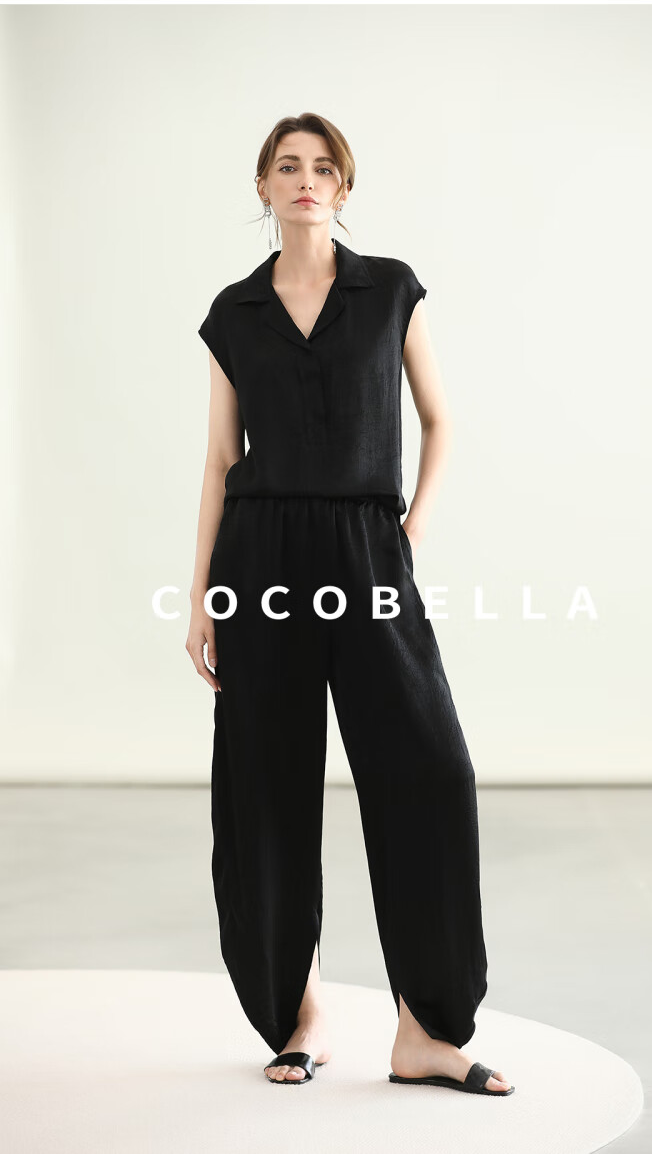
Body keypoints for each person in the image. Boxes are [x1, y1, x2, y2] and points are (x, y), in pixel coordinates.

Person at [186, 113, 514, 1098]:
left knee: (429, 768)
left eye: (323, 166)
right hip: (259, 558)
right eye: (288, 166)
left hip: (369, 549)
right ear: (263, 185)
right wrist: (200, 594)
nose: (306, 179)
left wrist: (408, 530)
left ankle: (427, 1031)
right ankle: (298, 1015)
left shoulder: (390, 291)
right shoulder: (235, 312)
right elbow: (220, 457)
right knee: (266, 784)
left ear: (344, 185)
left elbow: (440, 419)